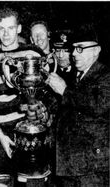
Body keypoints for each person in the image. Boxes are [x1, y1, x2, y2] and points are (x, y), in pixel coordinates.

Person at [0, 8, 57, 187]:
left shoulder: (34, 54)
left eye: (10, 28)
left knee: (36, 183)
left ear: (18, 28)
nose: (6, 34)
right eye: (1, 29)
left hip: (33, 136)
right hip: (0, 135)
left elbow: (50, 97)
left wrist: (42, 114)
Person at [46, 23, 110, 187]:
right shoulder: (74, 75)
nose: (74, 53)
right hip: (69, 165)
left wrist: (64, 91)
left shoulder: (105, 75)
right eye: (73, 48)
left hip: (91, 168)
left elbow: (99, 105)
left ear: (97, 50)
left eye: (80, 48)